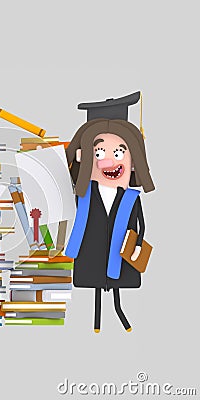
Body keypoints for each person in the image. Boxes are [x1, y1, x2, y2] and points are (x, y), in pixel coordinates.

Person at [65, 92, 155, 333]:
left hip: (121, 252)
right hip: (91, 248)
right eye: (98, 153)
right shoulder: (82, 196)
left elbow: (141, 223)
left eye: (118, 153)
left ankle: (120, 313)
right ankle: (96, 321)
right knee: (95, 283)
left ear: (134, 161)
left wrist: (137, 244)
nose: (107, 163)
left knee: (117, 286)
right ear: (84, 158)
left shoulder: (131, 198)